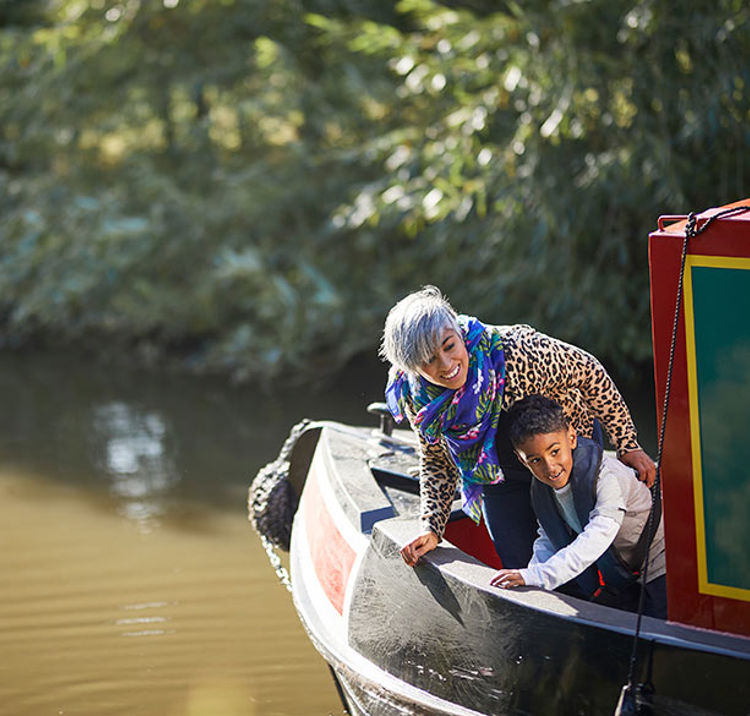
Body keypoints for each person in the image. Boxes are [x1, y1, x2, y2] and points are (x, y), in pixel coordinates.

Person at [381, 285, 656, 570]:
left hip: (565, 450)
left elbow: (589, 371)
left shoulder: (517, 351)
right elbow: (436, 457)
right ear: (411, 368)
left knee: (592, 547)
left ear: (458, 334)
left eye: (449, 346)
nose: (447, 364)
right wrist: (432, 526)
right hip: (497, 472)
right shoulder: (415, 396)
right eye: (428, 361)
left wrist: (627, 443)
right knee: (518, 560)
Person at [489, 395, 666, 618]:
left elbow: (597, 537)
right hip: (626, 575)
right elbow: (547, 537)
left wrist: (540, 576)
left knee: (659, 640)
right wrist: (530, 576)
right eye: (535, 460)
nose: (550, 467)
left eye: (555, 451)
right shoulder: (543, 488)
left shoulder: (607, 477)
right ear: (521, 459)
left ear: (572, 437)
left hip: (661, 566)